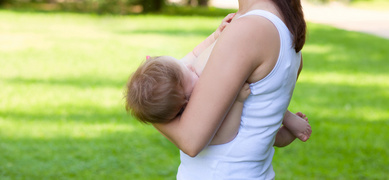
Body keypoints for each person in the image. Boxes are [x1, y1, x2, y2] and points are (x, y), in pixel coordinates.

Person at [152, 0, 308, 179]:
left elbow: (190, 139)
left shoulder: (249, 30)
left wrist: (144, 102)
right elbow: (261, 129)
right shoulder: (282, 24)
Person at [125, 13, 311, 146]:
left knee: (264, 122)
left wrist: (216, 35)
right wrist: (237, 101)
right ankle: (289, 130)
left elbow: (194, 54)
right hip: (238, 144)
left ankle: (289, 122)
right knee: (268, 138)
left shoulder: (182, 77)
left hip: (256, 116)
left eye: (185, 66)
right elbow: (225, 136)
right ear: (185, 102)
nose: (191, 66)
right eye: (190, 74)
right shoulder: (196, 115)